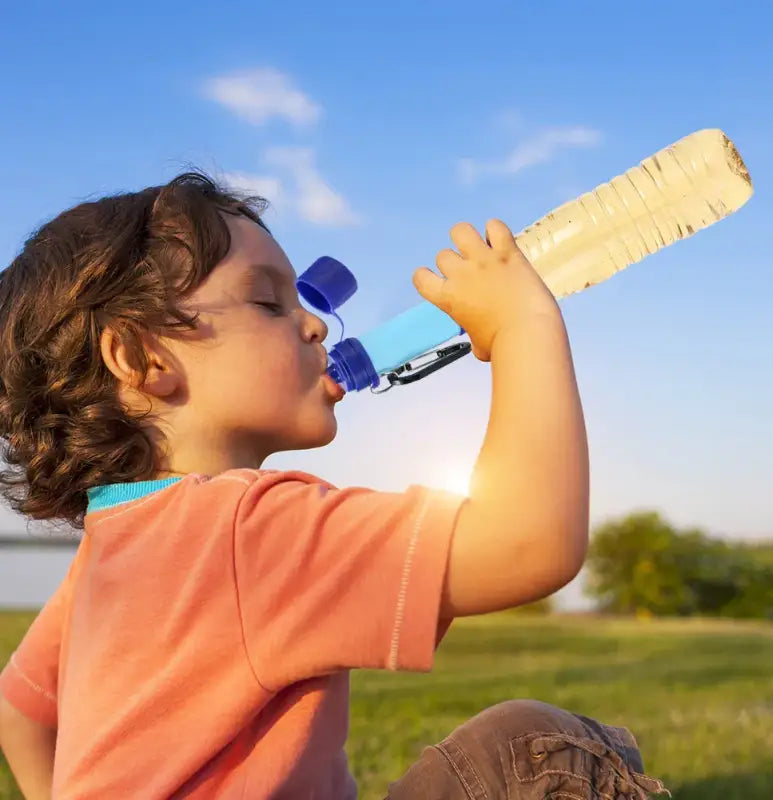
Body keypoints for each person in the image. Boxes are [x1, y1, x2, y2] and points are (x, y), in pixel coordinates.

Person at [0, 173, 668, 799]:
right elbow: (531, 542)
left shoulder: (108, 553)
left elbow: (19, 711)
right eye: (269, 302)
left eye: (308, 301)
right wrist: (525, 325)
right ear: (143, 358)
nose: (316, 326)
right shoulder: (244, 531)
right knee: (532, 747)